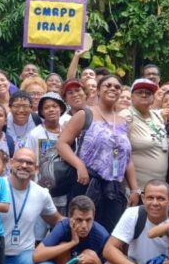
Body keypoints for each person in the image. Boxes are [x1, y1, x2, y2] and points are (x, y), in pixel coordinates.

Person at [58, 74, 138, 232]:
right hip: (87, 184)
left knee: (111, 235)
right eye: (107, 85)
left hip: (114, 189)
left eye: (117, 87)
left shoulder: (123, 123)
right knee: (82, 231)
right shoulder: (85, 114)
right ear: (98, 91)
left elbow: (126, 159)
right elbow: (62, 144)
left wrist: (135, 189)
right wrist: (79, 164)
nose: (112, 89)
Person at [0, 148, 62, 264]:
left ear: (36, 169)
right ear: (11, 163)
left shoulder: (41, 193)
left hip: (23, 254)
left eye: (29, 163)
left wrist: (80, 225)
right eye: (20, 161)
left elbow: (56, 220)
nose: (24, 165)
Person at [123, 79, 169, 190]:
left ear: (153, 97)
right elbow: (117, 152)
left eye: (148, 93)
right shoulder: (126, 116)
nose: (144, 95)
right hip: (135, 188)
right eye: (140, 92)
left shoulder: (158, 116)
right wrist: (133, 189)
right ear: (132, 96)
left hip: (159, 187)